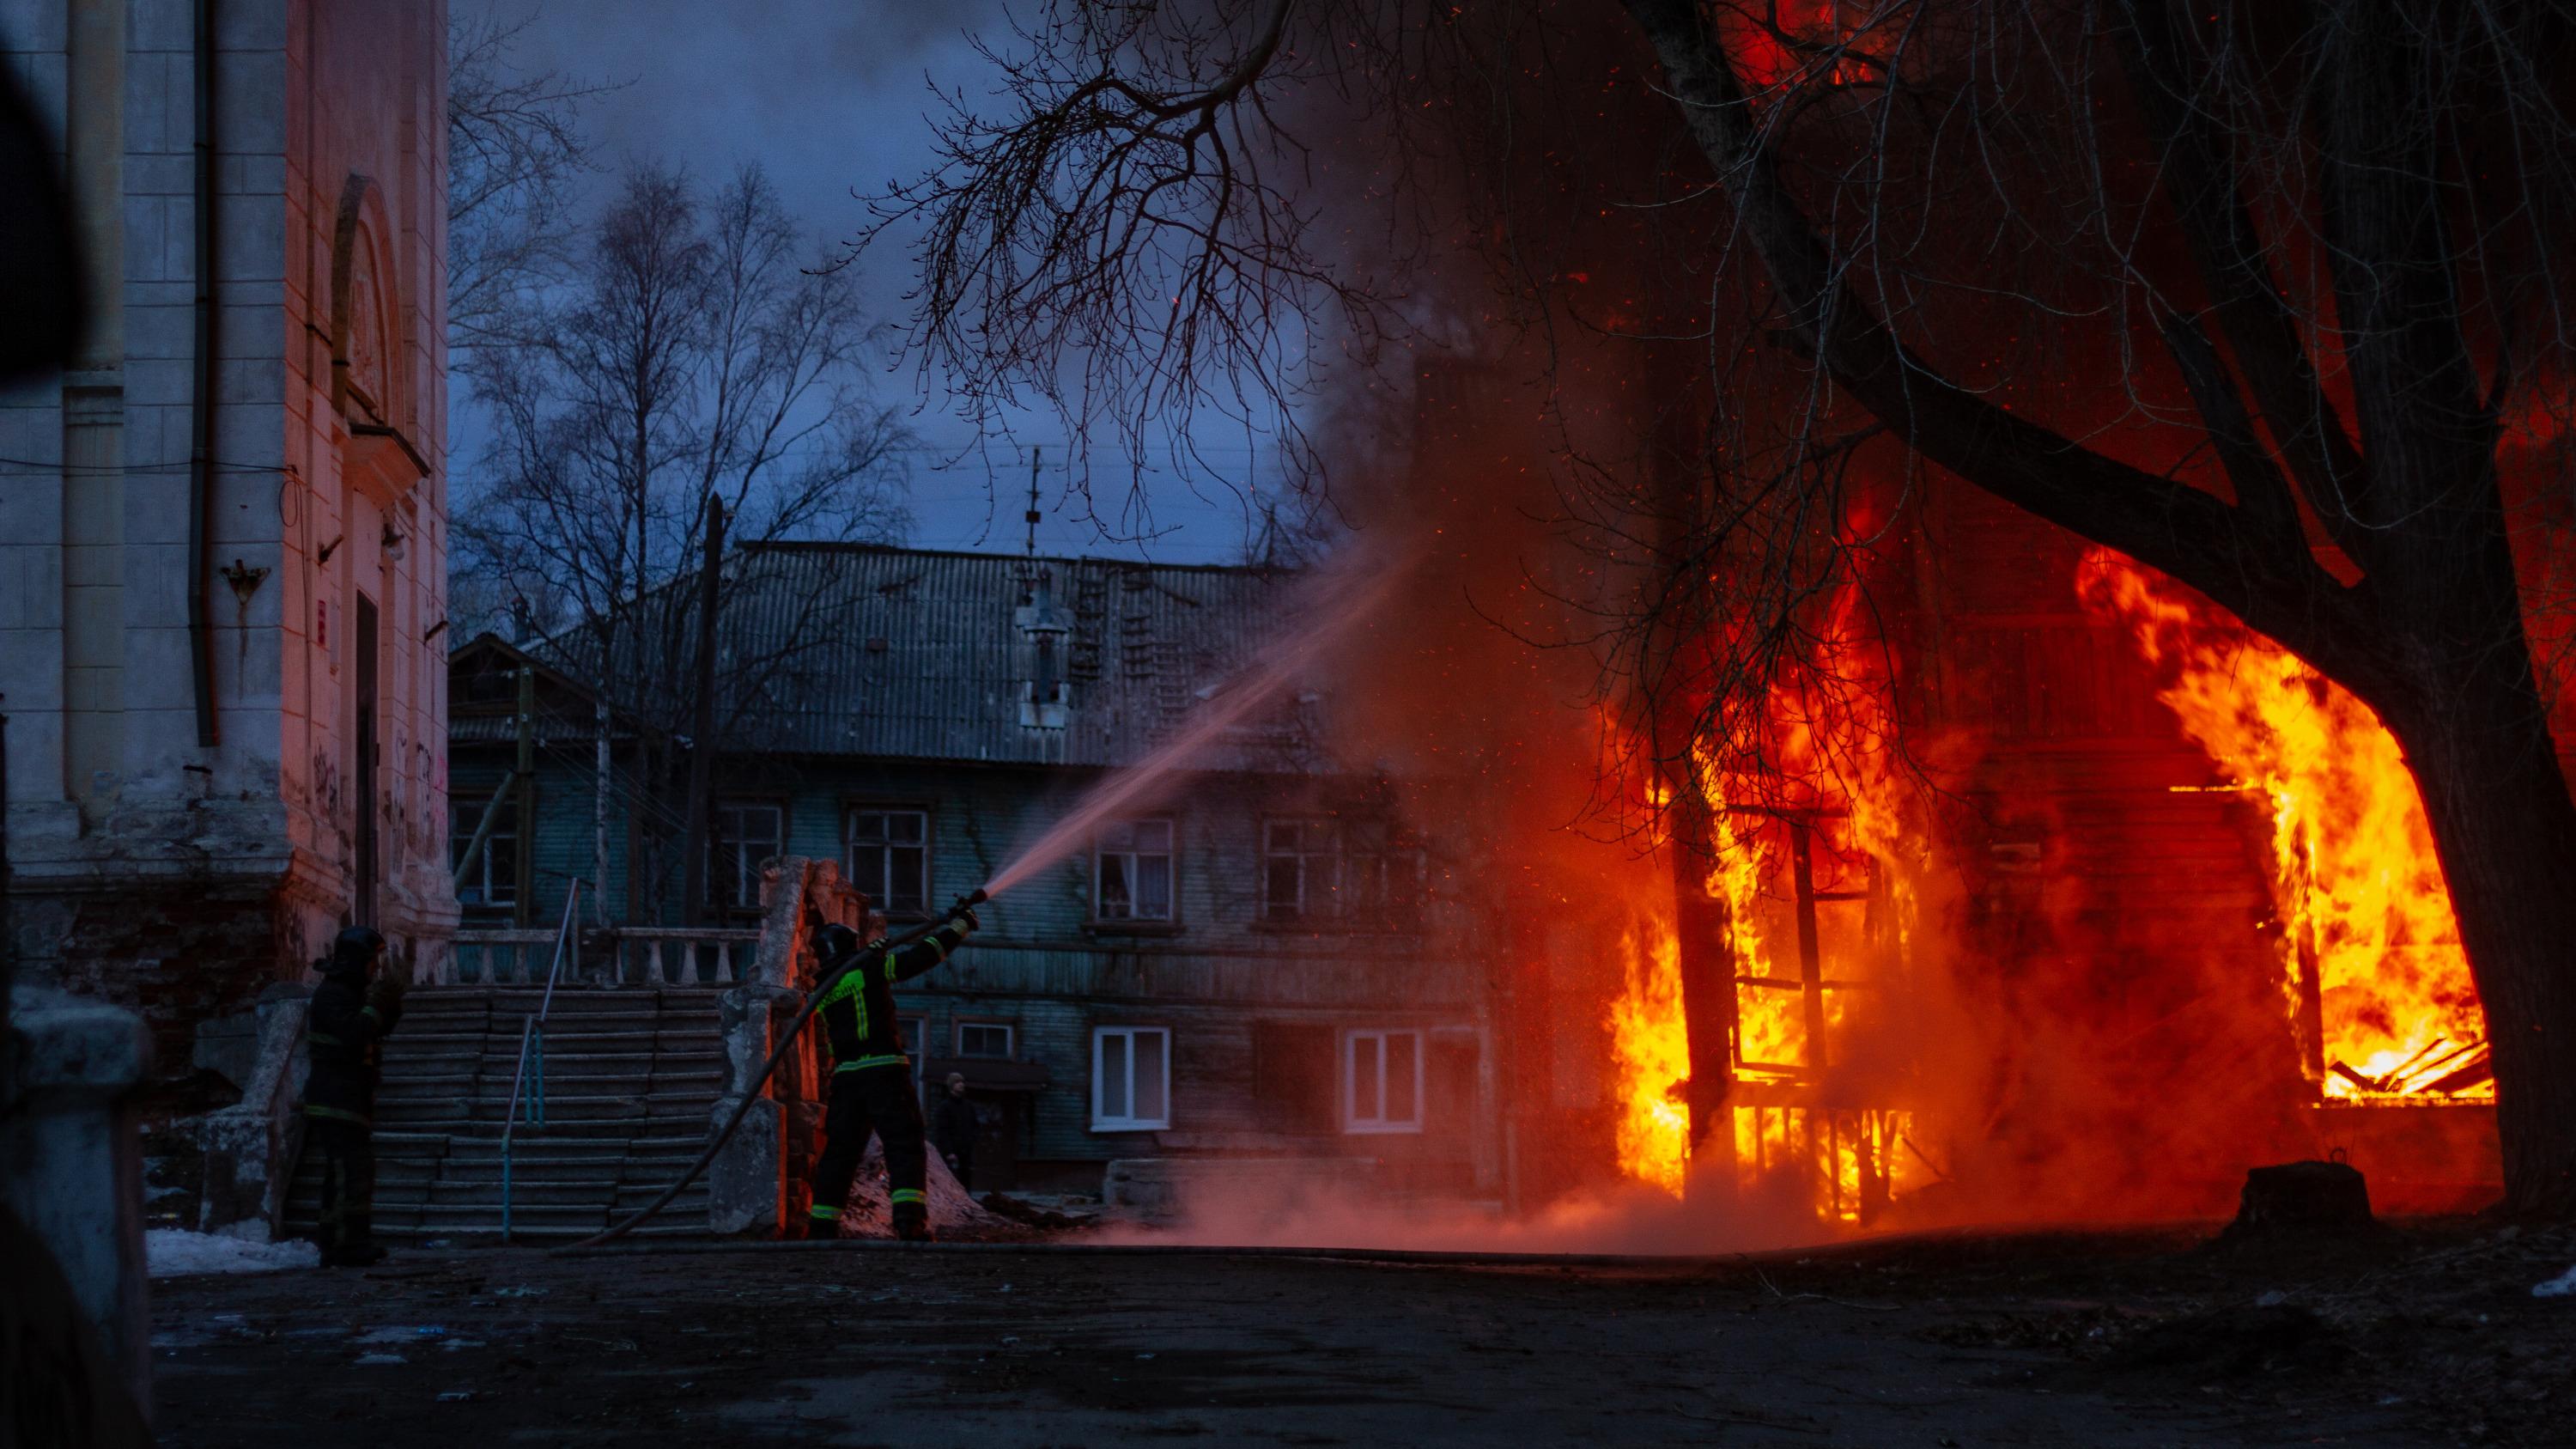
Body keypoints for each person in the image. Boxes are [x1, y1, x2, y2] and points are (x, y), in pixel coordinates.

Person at [805, 904, 979, 1241]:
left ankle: (822, 1227)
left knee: (840, 1153)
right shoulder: (868, 968)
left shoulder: (822, 990)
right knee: (905, 1145)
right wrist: (959, 927)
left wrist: (870, 955)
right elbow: (920, 958)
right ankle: (909, 1223)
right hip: (884, 1071)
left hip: (846, 1080)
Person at [303, 926, 406, 1266]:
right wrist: (378, 1002)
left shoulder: (347, 993)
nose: (376, 968)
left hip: (349, 1097)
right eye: (372, 961)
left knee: (350, 1171)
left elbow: (376, 1029)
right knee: (352, 1172)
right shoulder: (332, 995)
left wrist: (390, 1005)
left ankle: (338, 1241)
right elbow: (355, 1034)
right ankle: (347, 1245)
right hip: (336, 1097)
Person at [931, 1072, 981, 1191]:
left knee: (966, 1182)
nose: (961, 1085)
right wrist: (948, 1151)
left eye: (962, 1082)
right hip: (952, 1153)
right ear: (951, 1085)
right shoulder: (944, 1107)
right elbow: (942, 1131)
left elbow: (976, 1125)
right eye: (958, 1082)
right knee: (952, 1183)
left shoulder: (968, 1106)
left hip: (966, 1151)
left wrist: (972, 1139)